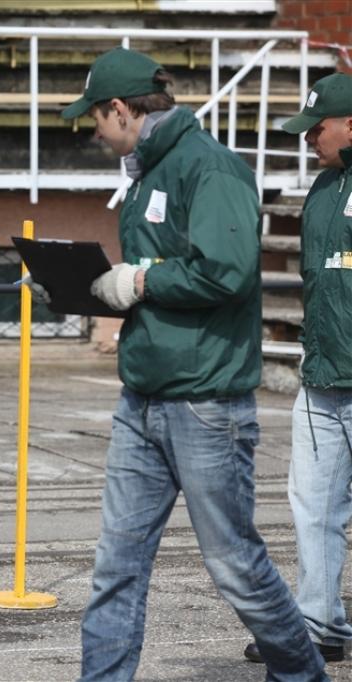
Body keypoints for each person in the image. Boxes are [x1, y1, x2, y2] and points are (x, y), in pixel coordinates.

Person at [59, 48, 328, 680]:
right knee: (115, 565)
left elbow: (227, 271)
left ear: (121, 109)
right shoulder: (148, 172)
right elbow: (161, 275)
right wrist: (99, 285)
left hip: (206, 403)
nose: (93, 130)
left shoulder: (211, 167)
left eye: (95, 117)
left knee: (233, 562)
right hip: (144, 396)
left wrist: (140, 283)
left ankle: (301, 672)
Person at [243, 72, 352, 667]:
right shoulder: (322, 188)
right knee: (312, 505)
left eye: (318, 128)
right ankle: (317, 625)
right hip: (323, 378)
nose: (308, 139)